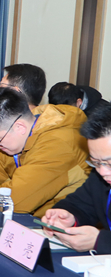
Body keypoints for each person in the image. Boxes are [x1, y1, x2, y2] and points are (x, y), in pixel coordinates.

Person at [0, 87, 90, 216]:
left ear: (20, 127)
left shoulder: (58, 144)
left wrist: (2, 188)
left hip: (58, 225)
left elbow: (16, 202)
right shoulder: (12, 142)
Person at [42, 104, 111, 253]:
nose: (103, 171)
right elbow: (79, 204)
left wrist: (101, 241)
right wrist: (67, 217)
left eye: (109, 163)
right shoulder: (99, 178)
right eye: (96, 162)